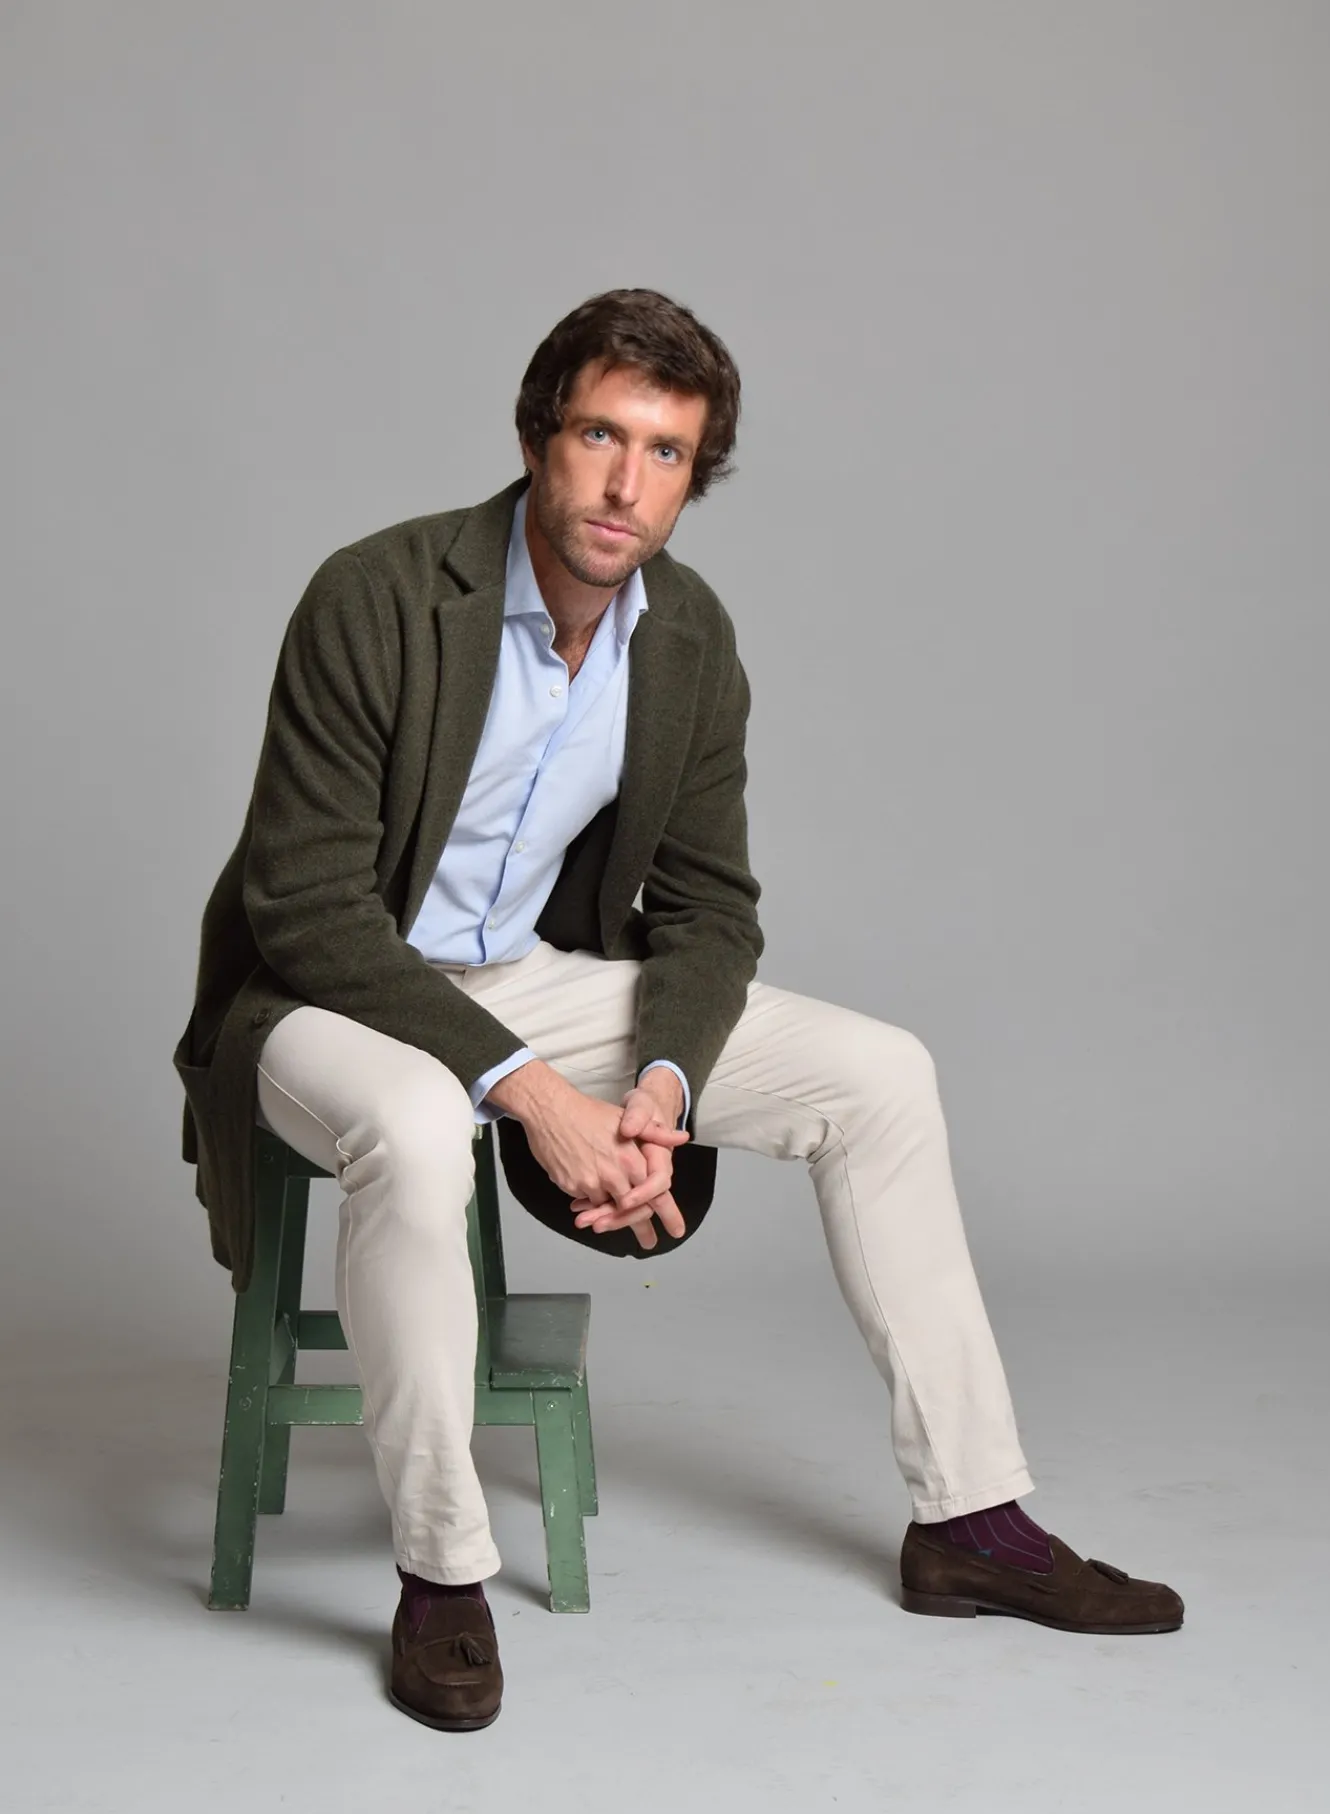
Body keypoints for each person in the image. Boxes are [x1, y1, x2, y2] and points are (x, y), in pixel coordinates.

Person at [174, 286, 1183, 1734]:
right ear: (539, 436)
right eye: (600, 435)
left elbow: (711, 907)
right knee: (418, 1119)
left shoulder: (689, 636)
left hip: (518, 974)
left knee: (881, 1073)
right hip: (325, 991)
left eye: (665, 453)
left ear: (693, 479)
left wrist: (659, 1088)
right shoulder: (377, 594)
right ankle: (442, 1571)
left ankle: (970, 1517)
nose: (624, 483)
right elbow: (308, 906)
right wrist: (537, 1095)